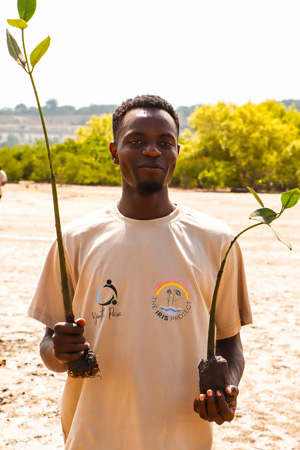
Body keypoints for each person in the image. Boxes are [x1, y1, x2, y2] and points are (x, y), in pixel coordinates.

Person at [28, 94, 252, 450]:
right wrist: (59, 351)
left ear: (178, 151)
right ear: (115, 151)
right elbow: (48, 347)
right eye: (136, 141)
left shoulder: (218, 241)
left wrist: (226, 391)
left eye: (165, 142)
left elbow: (229, 343)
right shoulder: (74, 239)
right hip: (92, 436)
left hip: (184, 437)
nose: (152, 150)